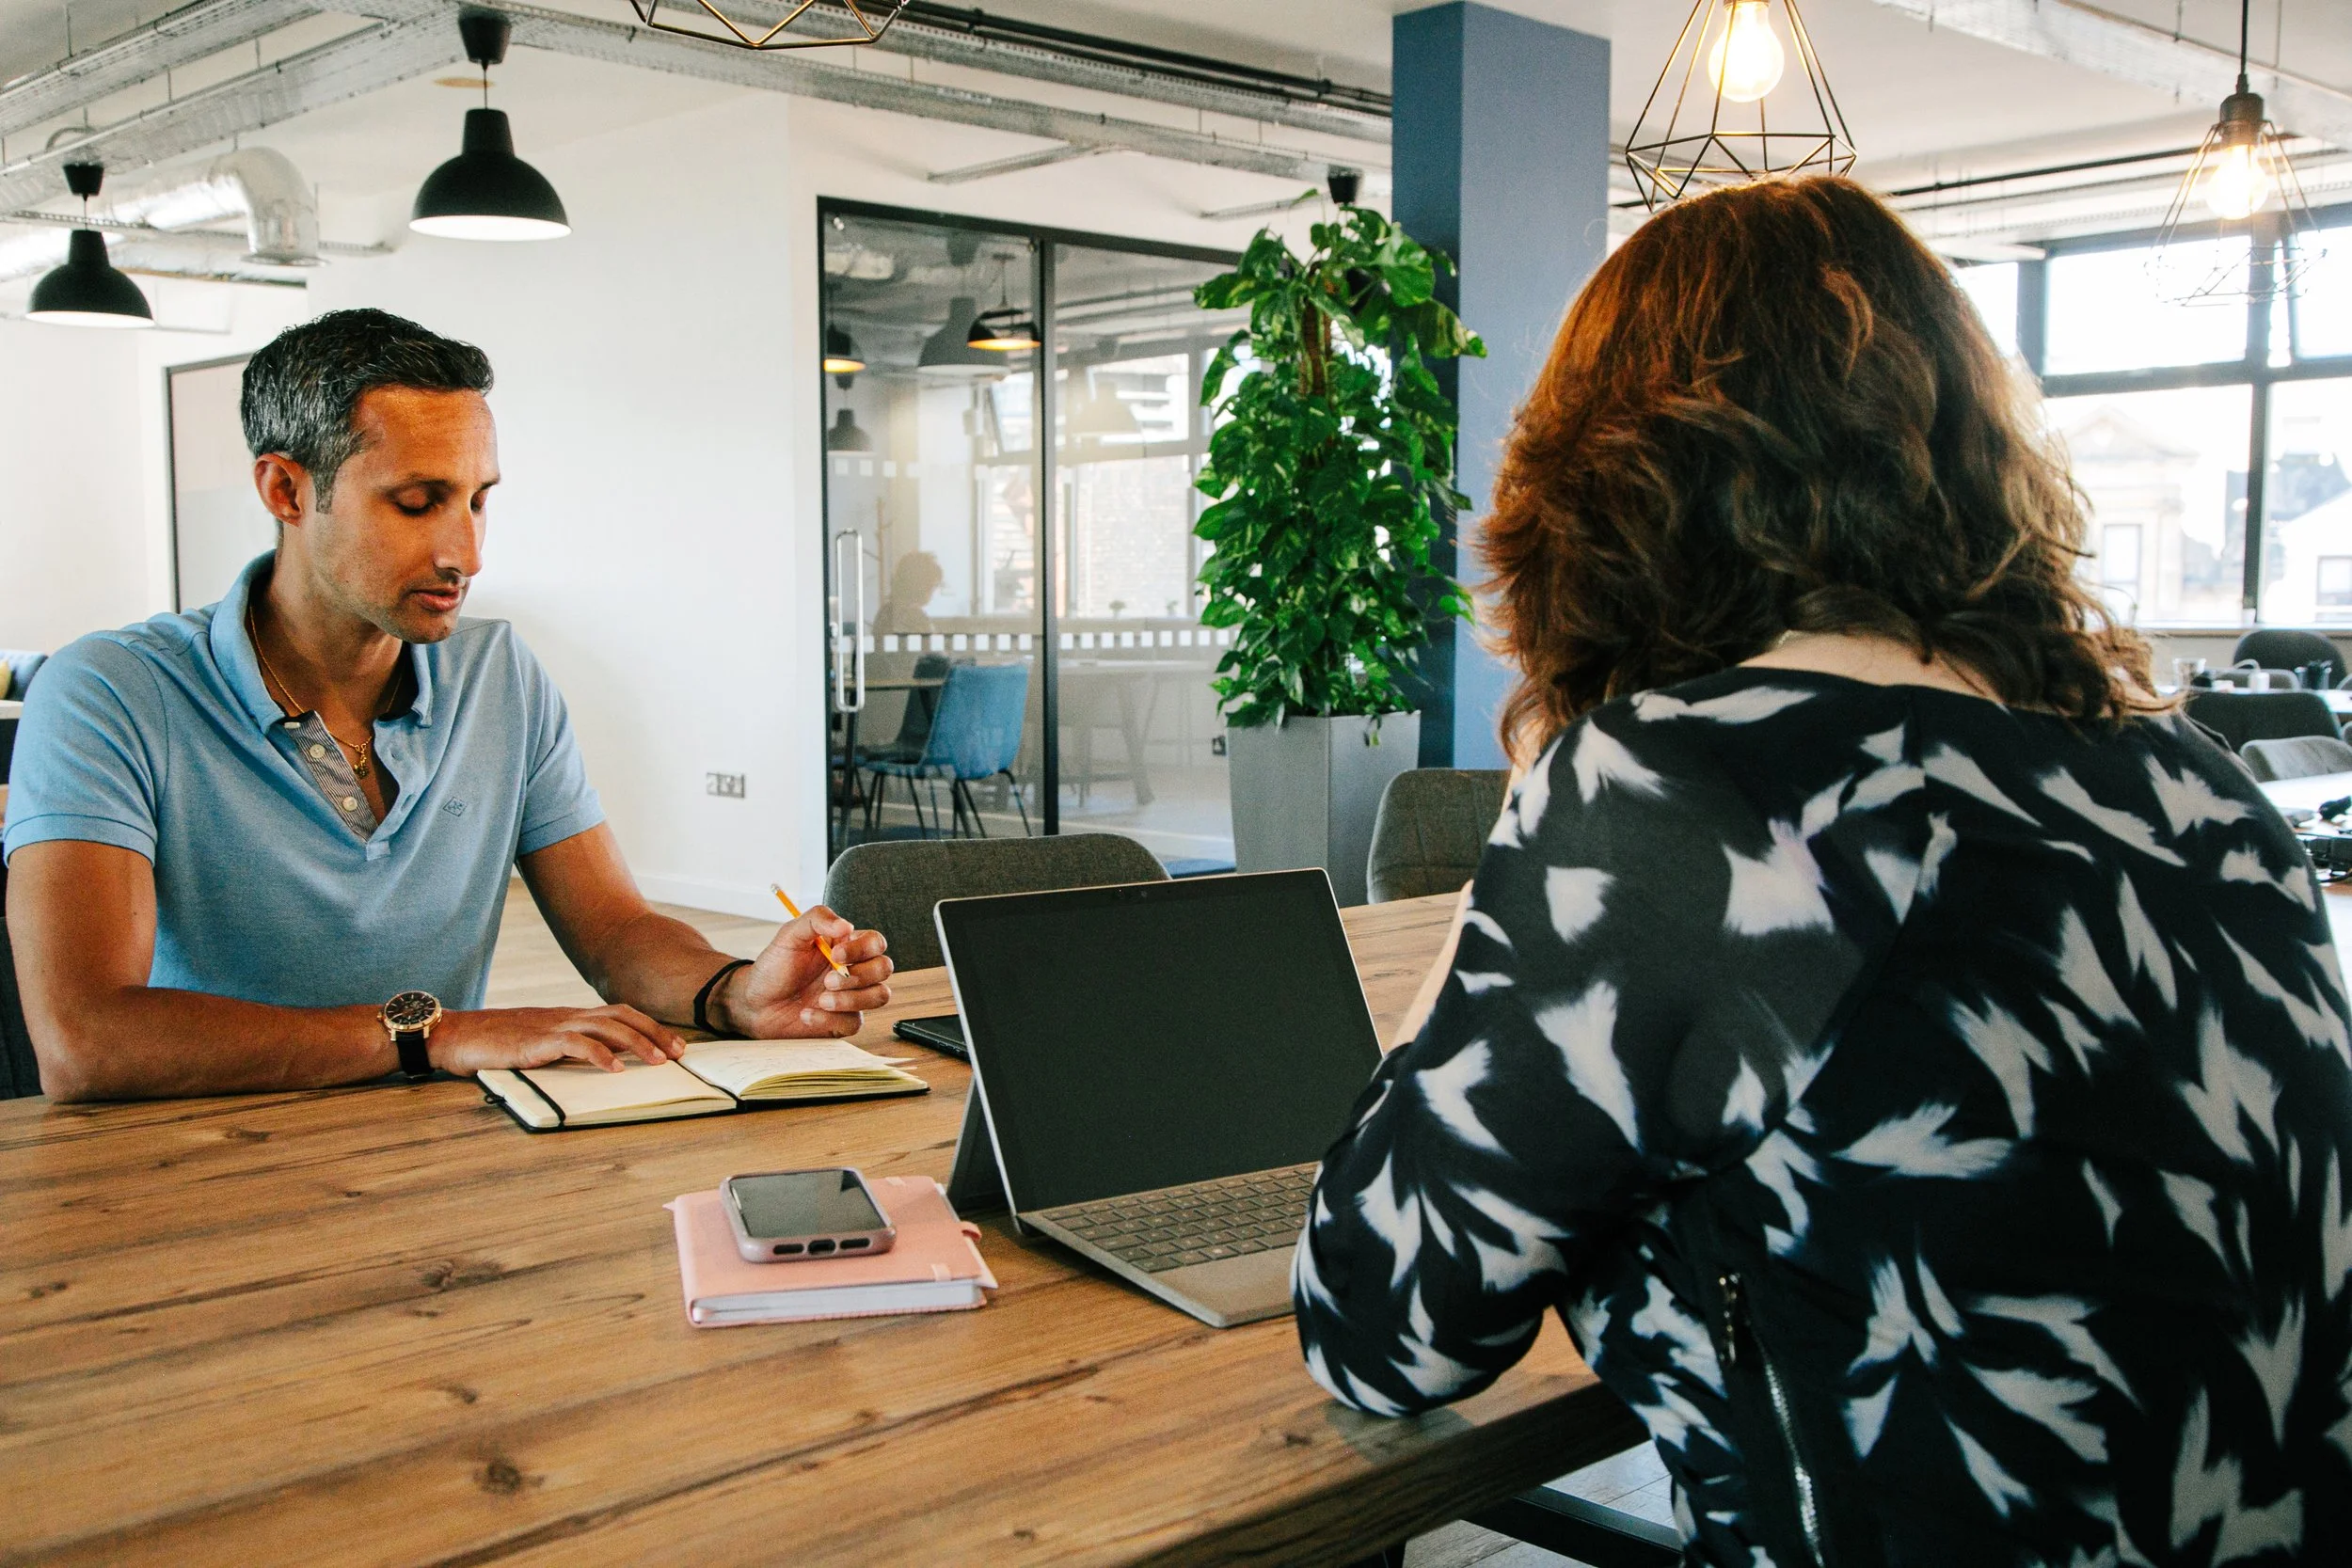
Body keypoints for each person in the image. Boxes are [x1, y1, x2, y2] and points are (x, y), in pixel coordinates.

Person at [1293, 178, 2352, 1563]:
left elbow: (1379, 1327)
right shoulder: (2194, 776)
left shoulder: (1682, 792)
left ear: (1604, 479)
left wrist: (1542, 799)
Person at [4, 309, 891, 1101]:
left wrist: (734, 990)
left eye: (478, 500)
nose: (466, 551)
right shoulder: (108, 693)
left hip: (432, 1147)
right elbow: (87, 1041)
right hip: (190, 1164)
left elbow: (617, 928)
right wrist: (435, 1033)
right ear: (286, 491)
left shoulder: (500, 675)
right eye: (419, 502)